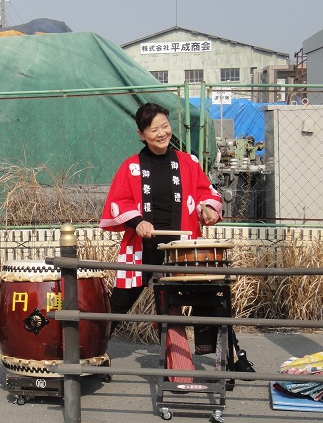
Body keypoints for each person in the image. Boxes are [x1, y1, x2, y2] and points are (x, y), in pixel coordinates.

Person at [99, 102, 254, 375]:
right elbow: (118, 202)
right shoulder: (132, 166)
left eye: (165, 126)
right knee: (116, 306)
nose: (161, 133)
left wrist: (206, 210)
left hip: (184, 250)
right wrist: (138, 222)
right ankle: (90, 351)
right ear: (141, 134)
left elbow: (207, 193)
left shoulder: (188, 162)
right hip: (142, 248)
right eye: (153, 129)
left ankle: (233, 355)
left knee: (211, 300)